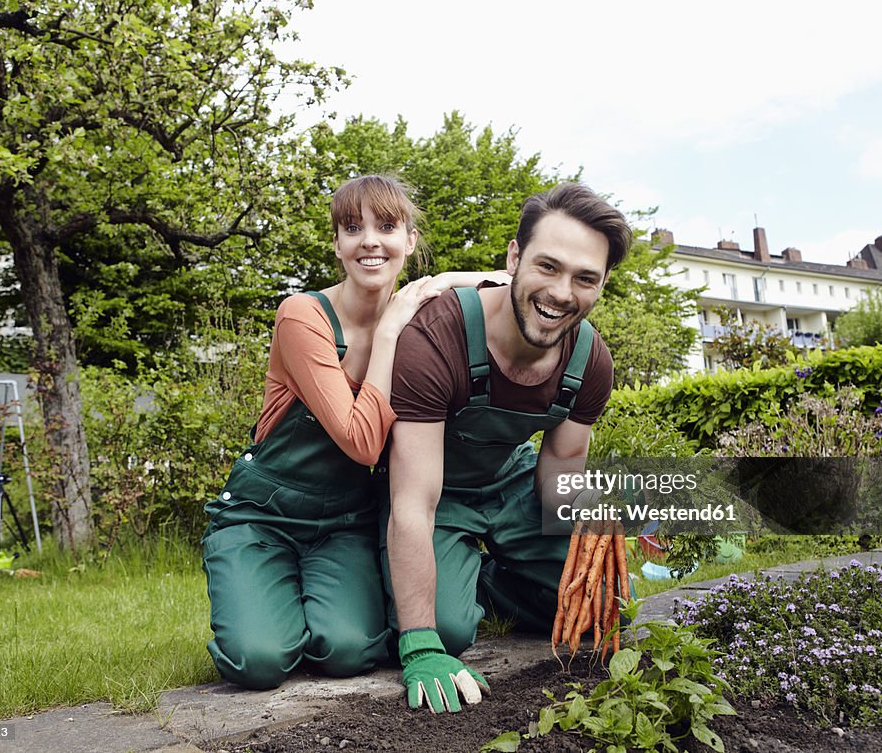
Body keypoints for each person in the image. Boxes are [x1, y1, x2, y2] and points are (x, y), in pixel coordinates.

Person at [202, 175, 506, 690]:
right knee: (258, 661)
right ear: (337, 243)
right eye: (352, 227)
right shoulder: (304, 316)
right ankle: (256, 593)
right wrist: (390, 330)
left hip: (344, 520)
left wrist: (449, 278)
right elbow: (360, 440)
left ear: (409, 241)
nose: (369, 239)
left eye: (386, 226)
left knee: (349, 652)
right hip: (263, 516)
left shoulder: (421, 320)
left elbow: (505, 286)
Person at [384, 182, 633, 712]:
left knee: (599, 610)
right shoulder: (438, 336)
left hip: (510, 484)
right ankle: (450, 579)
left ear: (602, 284)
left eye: (585, 278)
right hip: (437, 492)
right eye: (548, 266)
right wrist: (420, 642)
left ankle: (492, 578)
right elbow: (412, 503)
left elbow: (559, 471)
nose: (563, 293)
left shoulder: (590, 362)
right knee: (446, 630)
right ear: (514, 256)